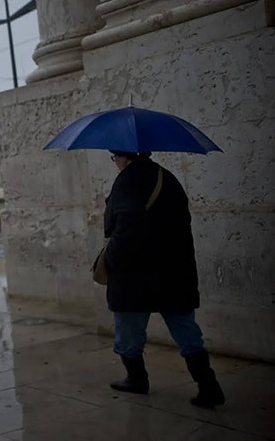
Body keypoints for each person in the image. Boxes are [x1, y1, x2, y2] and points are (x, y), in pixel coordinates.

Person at [104, 150, 224, 408]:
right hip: (174, 271)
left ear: (124, 157)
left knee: (129, 333)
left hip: (135, 275)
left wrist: (110, 259)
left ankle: (136, 379)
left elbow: (125, 227)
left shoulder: (126, 182)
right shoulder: (166, 177)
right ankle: (208, 385)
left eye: (114, 158)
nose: (114, 163)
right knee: (186, 330)